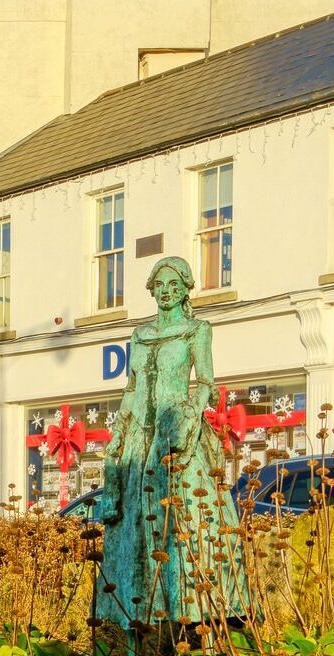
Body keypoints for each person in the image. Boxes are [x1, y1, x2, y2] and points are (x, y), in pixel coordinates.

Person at [96, 255, 248, 633]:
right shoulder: (139, 335)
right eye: (159, 286)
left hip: (176, 436)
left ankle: (201, 615)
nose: (165, 292)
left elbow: (208, 385)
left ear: (184, 290)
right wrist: (119, 432)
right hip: (138, 438)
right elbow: (131, 390)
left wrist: (190, 413)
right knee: (133, 530)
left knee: (189, 523)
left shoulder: (197, 329)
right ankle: (137, 614)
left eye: (173, 286)